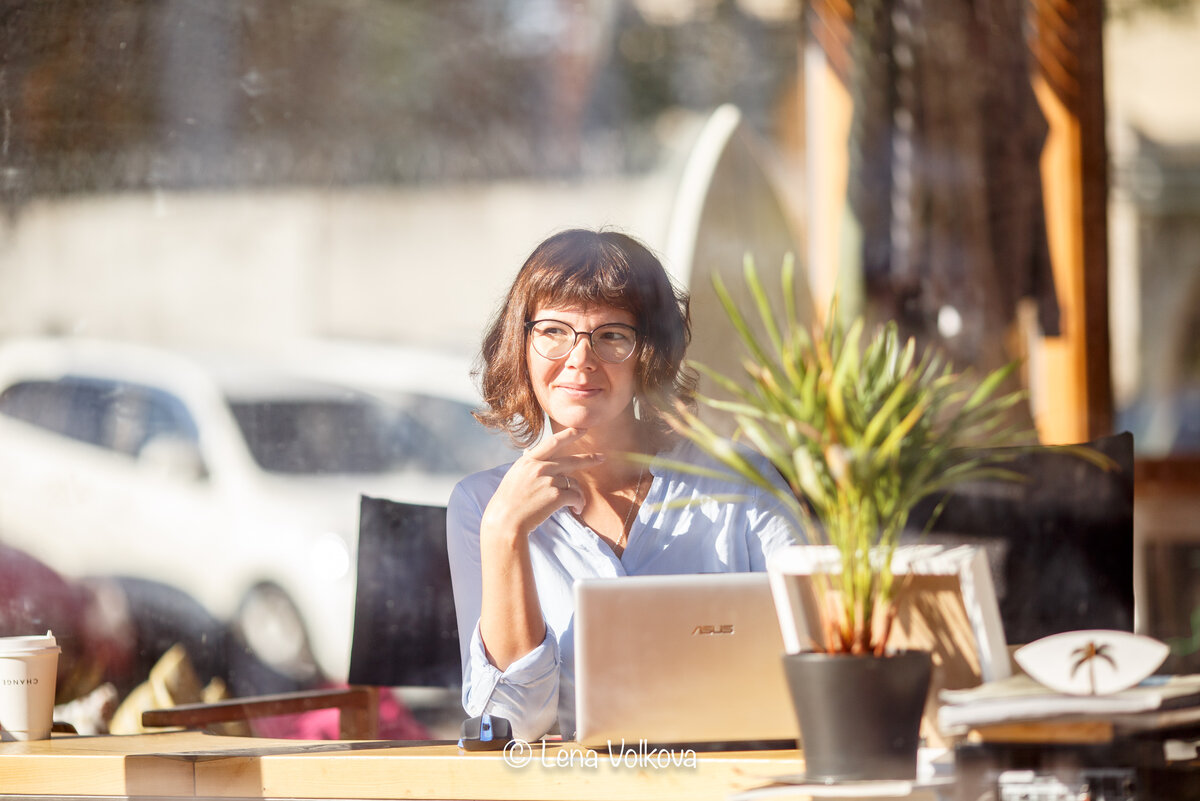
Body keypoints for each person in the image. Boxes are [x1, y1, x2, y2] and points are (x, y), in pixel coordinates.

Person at [446, 228, 799, 742]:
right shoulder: (481, 505)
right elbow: (515, 721)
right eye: (553, 331)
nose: (580, 359)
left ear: (648, 354)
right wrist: (505, 530)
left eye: (612, 335)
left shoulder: (742, 485)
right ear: (521, 344)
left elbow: (818, 659)